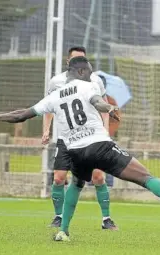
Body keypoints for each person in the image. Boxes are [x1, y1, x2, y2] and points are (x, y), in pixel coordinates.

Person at [0, 56, 160, 241]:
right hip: (99, 145)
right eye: (90, 72)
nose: (92, 75)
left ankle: (64, 231)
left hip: (75, 152)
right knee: (144, 176)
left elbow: (22, 114)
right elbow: (97, 102)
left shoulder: (54, 96)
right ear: (81, 72)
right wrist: (108, 107)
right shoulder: (87, 86)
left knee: (77, 184)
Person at [42, 46, 115, 230]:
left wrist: (105, 131)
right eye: (76, 59)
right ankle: (58, 217)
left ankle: (106, 219)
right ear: (68, 62)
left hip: (92, 138)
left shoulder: (95, 80)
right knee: (59, 178)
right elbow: (48, 107)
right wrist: (46, 130)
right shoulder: (56, 82)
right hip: (66, 139)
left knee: (98, 176)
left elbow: (103, 106)